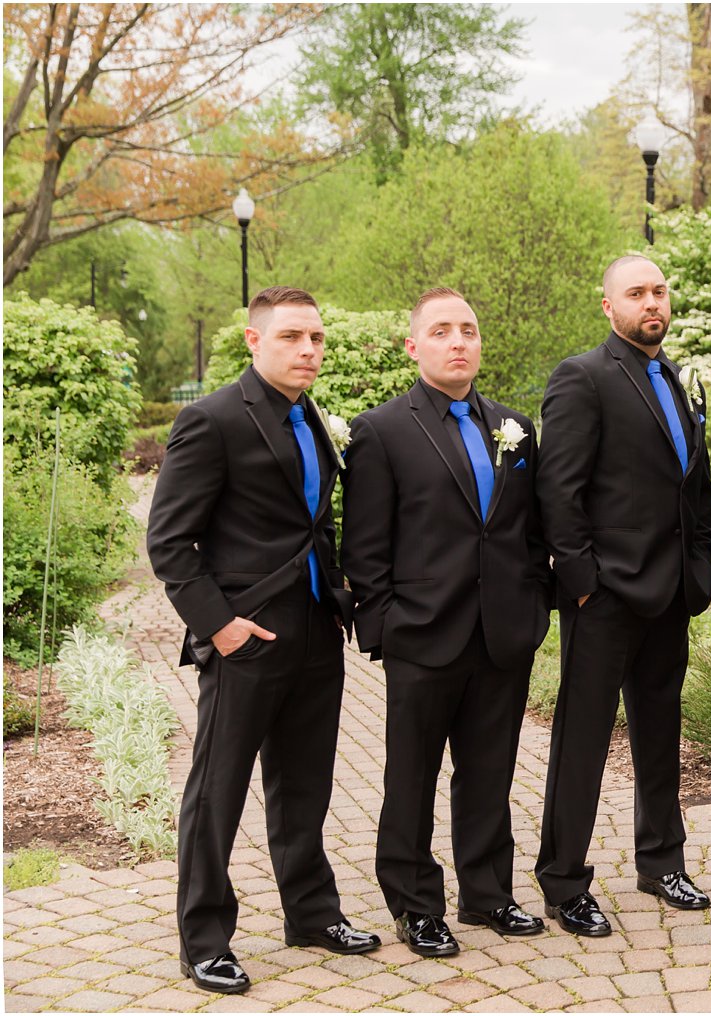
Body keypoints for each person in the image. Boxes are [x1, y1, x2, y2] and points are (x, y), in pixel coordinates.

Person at [147, 286, 379, 995]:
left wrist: (337, 594)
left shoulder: (310, 417)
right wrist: (219, 627)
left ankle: (311, 912)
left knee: (304, 786)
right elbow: (168, 541)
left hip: (314, 631)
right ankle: (204, 940)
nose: (308, 349)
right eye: (291, 338)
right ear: (254, 341)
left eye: (315, 337)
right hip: (244, 639)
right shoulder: (211, 420)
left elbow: (314, 523)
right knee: (217, 793)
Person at [342, 287, 553, 955]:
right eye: (441, 331)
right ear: (415, 346)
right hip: (422, 634)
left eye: (467, 329)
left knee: (489, 773)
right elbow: (364, 547)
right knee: (411, 778)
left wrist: (534, 607)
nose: (457, 340)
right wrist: (385, 629)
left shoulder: (515, 427)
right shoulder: (381, 430)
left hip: (503, 633)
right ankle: (414, 906)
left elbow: (527, 531)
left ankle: (488, 895)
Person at [534, 254, 711, 936]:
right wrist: (581, 583)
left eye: (660, 291)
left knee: (660, 733)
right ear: (607, 305)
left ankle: (661, 861)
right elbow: (559, 490)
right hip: (604, 597)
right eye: (637, 293)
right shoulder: (581, 378)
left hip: (669, 594)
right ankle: (563, 881)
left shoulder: (675, 378)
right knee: (580, 742)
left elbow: (692, 488)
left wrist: (698, 570)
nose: (652, 303)